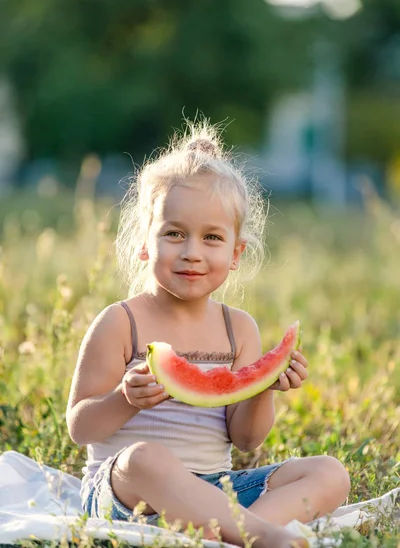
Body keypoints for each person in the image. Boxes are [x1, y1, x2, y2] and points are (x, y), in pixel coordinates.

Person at [67, 121, 350, 548]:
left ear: (236, 253)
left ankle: (224, 533)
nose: (192, 252)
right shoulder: (121, 321)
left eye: (212, 238)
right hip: (125, 494)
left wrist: (263, 388)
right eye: (174, 233)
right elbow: (80, 427)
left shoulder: (239, 329)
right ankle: (261, 536)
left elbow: (246, 439)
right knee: (144, 458)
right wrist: (125, 399)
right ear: (145, 242)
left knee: (330, 473)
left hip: (217, 487)